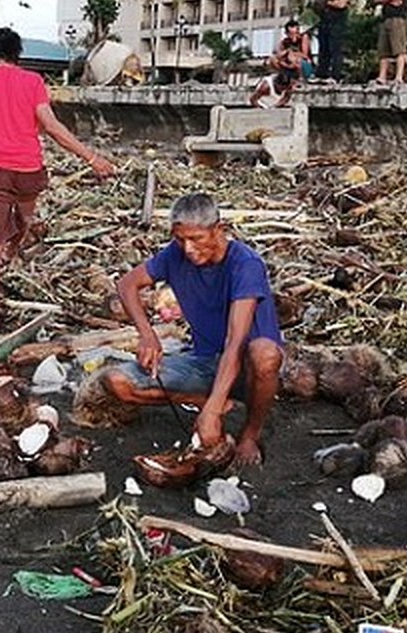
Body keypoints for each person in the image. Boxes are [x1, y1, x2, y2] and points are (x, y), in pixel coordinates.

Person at [0, 27, 117, 333]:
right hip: (29, 169)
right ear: (19, 52)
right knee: (25, 219)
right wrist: (92, 158)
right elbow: (52, 127)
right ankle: (14, 248)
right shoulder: (33, 82)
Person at [97, 193, 284, 467]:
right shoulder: (176, 255)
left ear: (219, 229)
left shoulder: (245, 265)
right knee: (116, 381)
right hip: (205, 361)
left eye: (196, 238)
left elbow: (235, 342)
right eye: (179, 239)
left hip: (247, 367)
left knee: (265, 353)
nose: (187, 248)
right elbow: (127, 284)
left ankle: (250, 434)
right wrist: (147, 335)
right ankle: (202, 400)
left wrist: (213, 412)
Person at [311, 0, 351, 83]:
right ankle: (321, 74)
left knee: (335, 48)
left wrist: (327, 2)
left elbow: (342, 4)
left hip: (337, 21)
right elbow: (316, 2)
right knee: (323, 48)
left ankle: (335, 75)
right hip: (324, 20)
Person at [269, 20, 310, 86]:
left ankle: (300, 79)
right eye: (291, 33)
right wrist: (286, 53)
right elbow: (278, 54)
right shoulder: (285, 42)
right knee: (273, 59)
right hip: (289, 65)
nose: (294, 35)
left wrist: (291, 53)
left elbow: (305, 55)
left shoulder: (303, 38)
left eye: (296, 32)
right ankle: (285, 76)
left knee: (292, 57)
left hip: (302, 64)